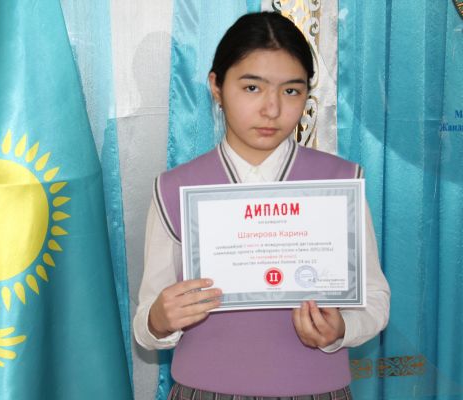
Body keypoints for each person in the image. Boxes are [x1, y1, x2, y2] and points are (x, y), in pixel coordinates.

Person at [133, 12, 390, 399]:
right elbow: (146, 321)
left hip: (316, 391)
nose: (272, 109)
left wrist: (341, 330)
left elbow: (374, 299)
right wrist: (159, 319)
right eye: (252, 87)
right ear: (216, 87)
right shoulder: (174, 189)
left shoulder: (339, 183)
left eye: (291, 91)